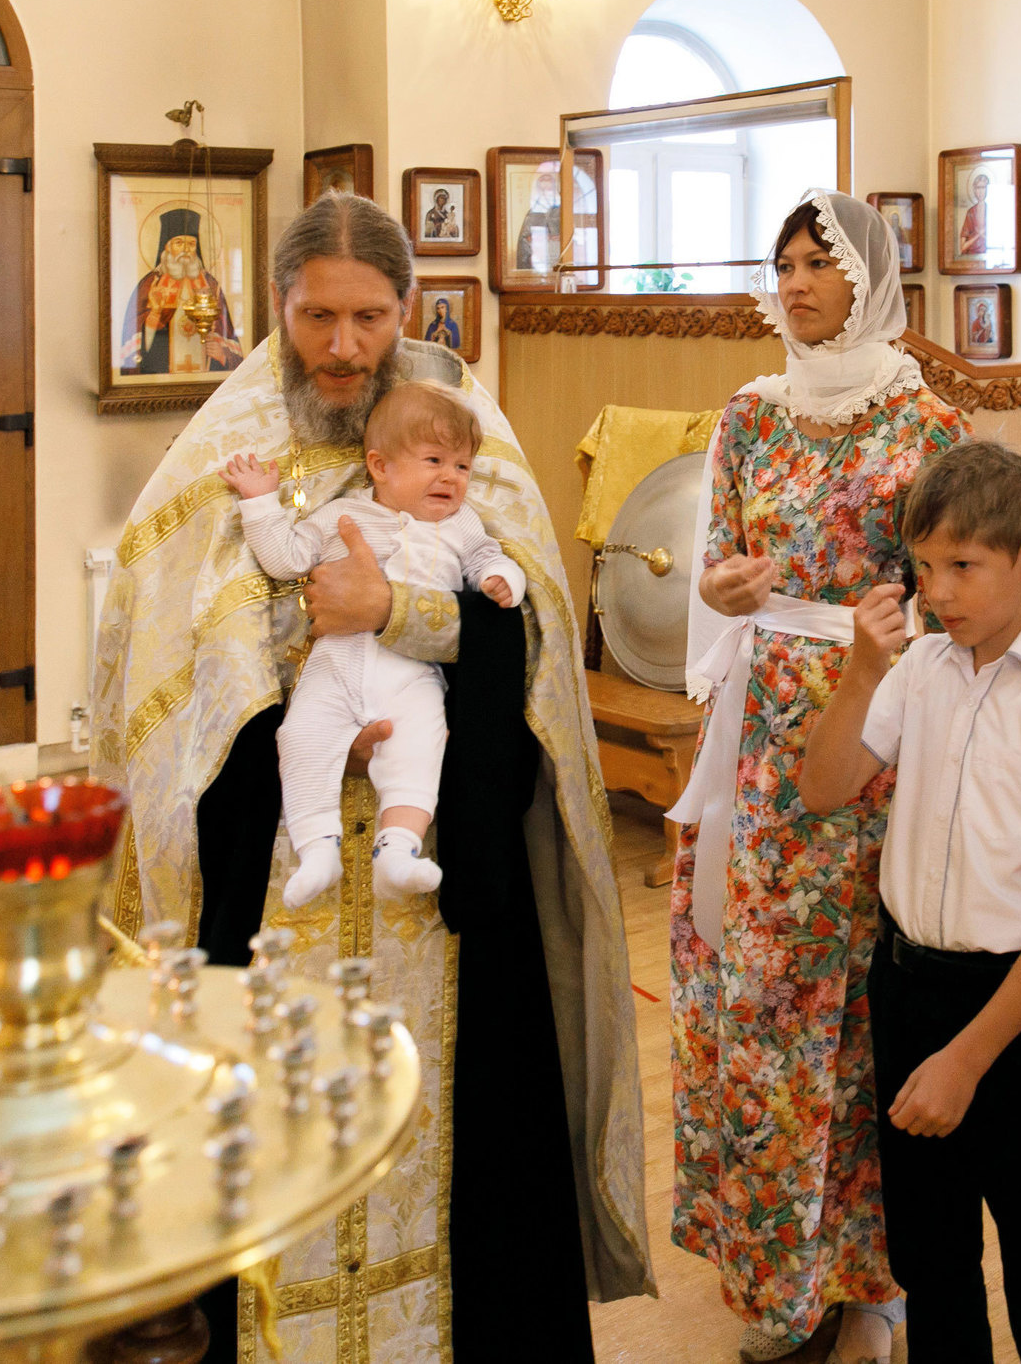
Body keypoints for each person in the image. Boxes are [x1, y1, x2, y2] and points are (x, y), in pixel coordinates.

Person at [92, 193, 647, 1362]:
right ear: (277, 309)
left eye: (367, 316)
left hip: (443, 865)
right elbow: (167, 647)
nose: (342, 348)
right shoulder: (225, 448)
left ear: (405, 310)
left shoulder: (453, 432)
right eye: (316, 317)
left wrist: (401, 612)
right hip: (276, 847)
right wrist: (288, 688)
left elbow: (535, 633)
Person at [670, 190, 968, 1364]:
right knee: (747, 1006)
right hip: (752, 732)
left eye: (817, 264)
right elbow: (715, 570)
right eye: (782, 264)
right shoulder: (748, 414)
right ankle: (776, 1278)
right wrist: (726, 592)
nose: (792, 284)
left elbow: (949, 599)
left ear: (868, 279)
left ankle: (871, 1281)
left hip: (863, 733)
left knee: (843, 1013)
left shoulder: (925, 423)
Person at [801, 440, 1021, 1364]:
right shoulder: (919, 672)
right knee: (932, 1256)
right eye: (925, 568)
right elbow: (824, 786)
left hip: (1012, 1015)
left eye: (964, 566)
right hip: (907, 989)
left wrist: (966, 1058)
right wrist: (863, 670)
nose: (938, 592)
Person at [221, 381, 525, 905]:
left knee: (421, 744)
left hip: (413, 671)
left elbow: (484, 559)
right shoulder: (344, 516)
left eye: (462, 467)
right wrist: (260, 502)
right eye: (434, 460)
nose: (450, 478)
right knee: (300, 737)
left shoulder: (462, 523)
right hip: (337, 663)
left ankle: (399, 849)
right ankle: (316, 848)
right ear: (380, 466)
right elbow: (286, 558)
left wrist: (504, 579)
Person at [118, 207, 244, 374]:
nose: (186, 249)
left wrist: (223, 355)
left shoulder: (210, 285)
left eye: (191, 244)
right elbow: (133, 343)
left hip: (205, 378)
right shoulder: (150, 284)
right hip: (159, 374)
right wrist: (155, 315)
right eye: (179, 243)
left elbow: (228, 337)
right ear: (166, 247)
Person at [957, 170, 992, 262]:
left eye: (983, 188)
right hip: (971, 255)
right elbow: (963, 246)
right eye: (978, 188)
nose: (980, 191)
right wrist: (978, 235)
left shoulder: (992, 211)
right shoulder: (971, 212)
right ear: (974, 190)